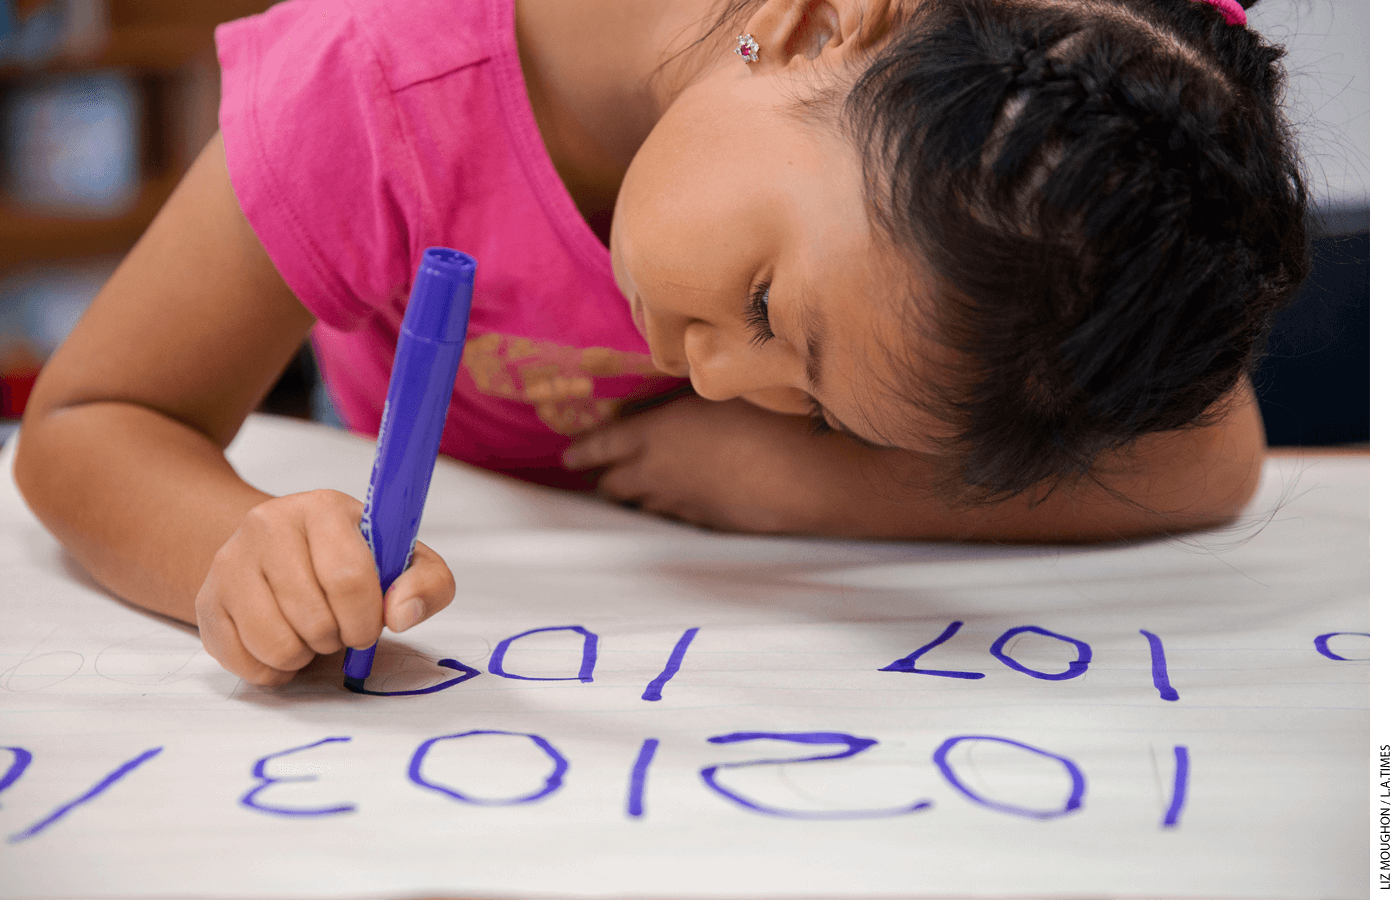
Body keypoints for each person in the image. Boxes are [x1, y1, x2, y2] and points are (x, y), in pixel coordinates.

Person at [13, 0, 1308, 686]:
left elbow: (1210, 457)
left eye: (824, 404)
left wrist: (794, 481)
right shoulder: (373, 90)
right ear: (815, 22)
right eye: (762, 308)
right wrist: (232, 554)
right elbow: (91, 420)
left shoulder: (1048, 152)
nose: (722, 380)